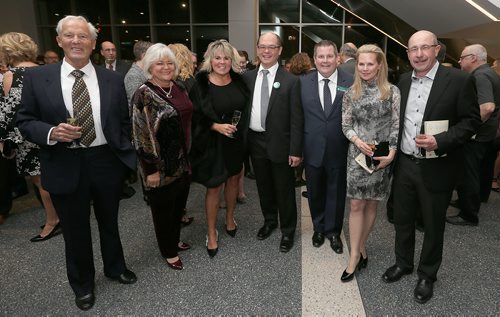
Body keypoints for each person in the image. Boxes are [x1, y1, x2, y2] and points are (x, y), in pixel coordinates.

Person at [17, 15, 137, 311]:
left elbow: (122, 120)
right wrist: (51, 132)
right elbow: (24, 121)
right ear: (58, 41)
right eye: (69, 35)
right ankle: (83, 284)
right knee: (74, 228)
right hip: (63, 160)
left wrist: (125, 156)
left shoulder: (112, 78)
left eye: (83, 36)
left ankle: (115, 267)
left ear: (93, 43)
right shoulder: (36, 77)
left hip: (105, 160)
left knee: (110, 221)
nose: (76, 41)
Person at [382, 30, 480, 304]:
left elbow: (471, 122)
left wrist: (441, 140)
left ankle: (427, 275)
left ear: (437, 49)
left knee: (433, 225)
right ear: (408, 54)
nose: (419, 54)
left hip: (438, 167)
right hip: (404, 164)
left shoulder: (459, 80)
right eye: (414, 49)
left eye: (425, 48)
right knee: (402, 219)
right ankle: (403, 263)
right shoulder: (402, 81)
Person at [341, 44, 400, 281]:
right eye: (361, 63)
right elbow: (345, 125)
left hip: (381, 156)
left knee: (372, 205)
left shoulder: (392, 91)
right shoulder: (350, 92)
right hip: (357, 155)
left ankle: (362, 245)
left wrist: (393, 152)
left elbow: (396, 125)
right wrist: (357, 141)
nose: (365, 68)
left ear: (379, 65)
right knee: (356, 205)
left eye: (370, 63)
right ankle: (355, 254)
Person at [131, 43, 193, 270]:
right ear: (149, 66)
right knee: (163, 211)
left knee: (178, 207)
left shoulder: (178, 88)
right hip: (159, 166)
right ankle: (168, 251)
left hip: (182, 161)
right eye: (159, 63)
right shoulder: (143, 94)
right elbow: (141, 135)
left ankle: (174, 240)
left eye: (169, 63)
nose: (166, 67)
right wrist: (151, 170)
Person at [243, 32, 303, 252]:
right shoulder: (247, 78)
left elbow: (298, 119)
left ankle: (288, 231)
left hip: (281, 144)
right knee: (264, 187)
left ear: (279, 50)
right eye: (262, 46)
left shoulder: (291, 81)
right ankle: (269, 221)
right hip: (255, 142)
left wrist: (296, 150)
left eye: (271, 47)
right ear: (257, 49)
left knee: (284, 190)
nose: (266, 51)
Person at [190, 39, 249, 257]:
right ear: (210, 60)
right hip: (211, 143)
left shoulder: (240, 82)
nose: (222, 62)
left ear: (231, 60)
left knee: (234, 179)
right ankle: (211, 232)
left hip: (234, 141)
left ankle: (230, 218)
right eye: (217, 58)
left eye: (226, 58)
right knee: (214, 186)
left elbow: (247, 109)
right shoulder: (201, 84)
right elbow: (193, 116)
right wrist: (214, 126)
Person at [0, 32, 61, 241]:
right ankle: (60, 217)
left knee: (41, 182)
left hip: (28, 136)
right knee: (51, 178)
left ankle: (54, 221)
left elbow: (9, 113)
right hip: (49, 132)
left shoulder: (12, 75)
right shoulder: (47, 70)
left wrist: (5, 141)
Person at [300, 40, 353, 256]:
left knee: (337, 193)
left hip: (340, 148)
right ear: (314, 59)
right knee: (315, 192)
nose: (325, 60)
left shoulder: (350, 82)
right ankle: (318, 229)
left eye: (329, 56)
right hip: (312, 148)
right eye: (320, 57)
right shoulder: (302, 82)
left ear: (337, 58)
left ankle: (333, 232)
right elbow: (297, 118)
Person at [447, 44, 500, 226]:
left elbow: (487, 107)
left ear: (473, 58)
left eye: (462, 57)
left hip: (476, 135)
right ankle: (466, 202)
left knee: (468, 173)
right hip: (487, 133)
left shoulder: (481, 75)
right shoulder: (491, 73)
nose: (459, 61)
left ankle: (469, 214)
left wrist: (469, 128)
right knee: (475, 171)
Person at [168, 42, 197, 227]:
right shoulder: (188, 83)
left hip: (176, 140)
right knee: (179, 183)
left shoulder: (173, 84)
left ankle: (178, 215)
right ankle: (178, 216)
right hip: (185, 139)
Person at [289, 51, 315, 190]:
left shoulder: (290, 78)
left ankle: (294, 174)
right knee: (304, 149)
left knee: (295, 145)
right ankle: (299, 176)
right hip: (307, 117)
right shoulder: (311, 78)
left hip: (293, 116)